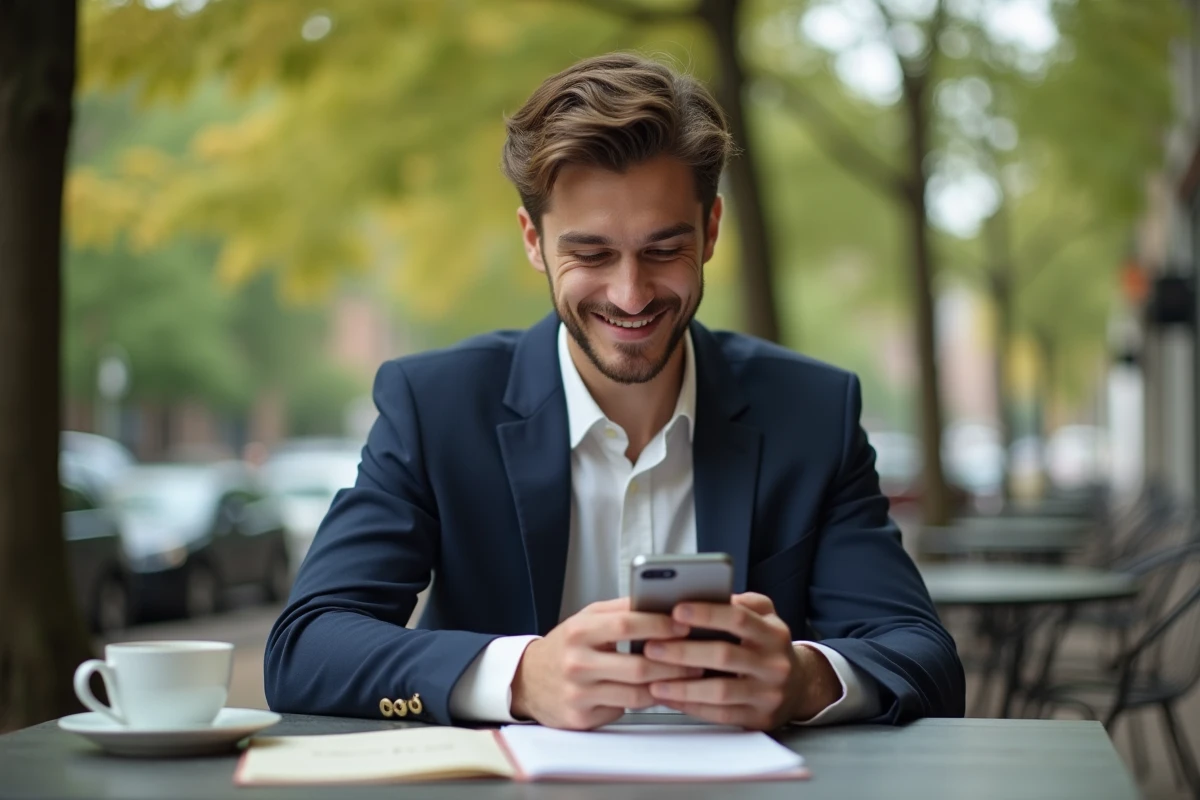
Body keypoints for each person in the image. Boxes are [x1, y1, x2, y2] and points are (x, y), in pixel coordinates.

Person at [264, 52, 965, 731]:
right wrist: (522, 677)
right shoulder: (436, 408)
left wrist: (803, 679)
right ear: (533, 241)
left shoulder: (811, 413)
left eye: (663, 250)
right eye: (591, 253)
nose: (630, 295)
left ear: (711, 230)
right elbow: (306, 646)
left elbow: (923, 657)